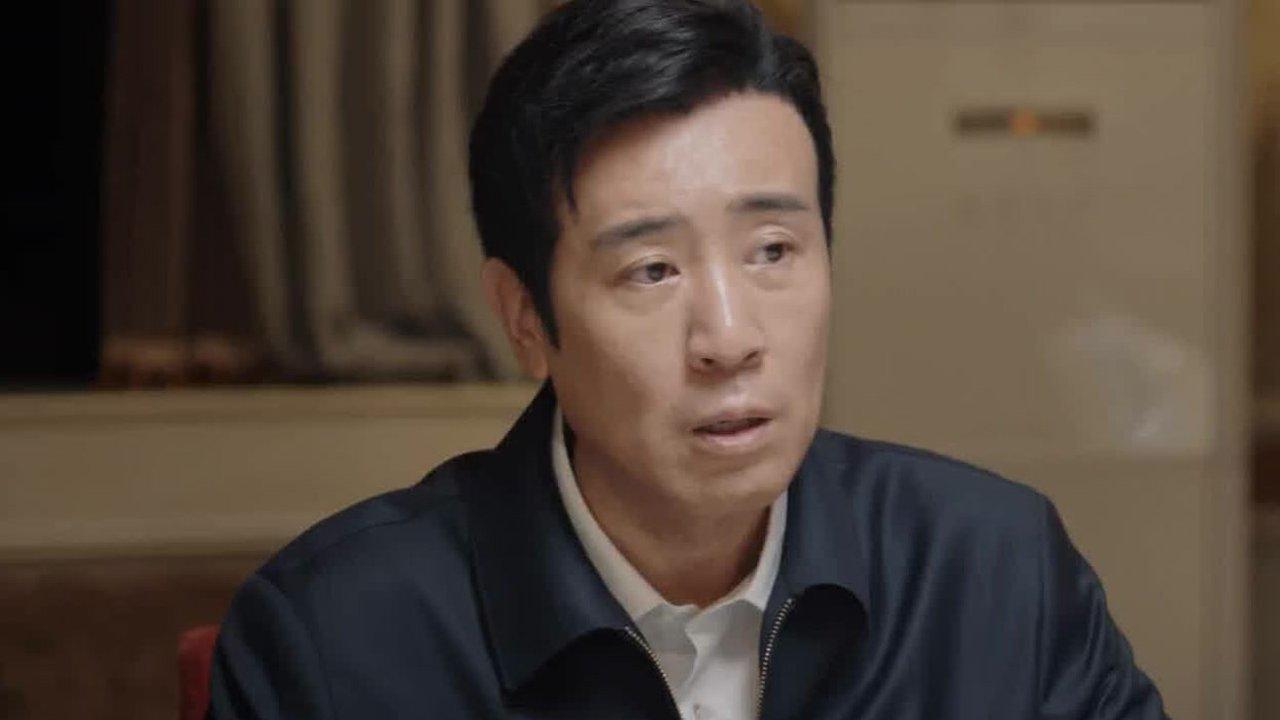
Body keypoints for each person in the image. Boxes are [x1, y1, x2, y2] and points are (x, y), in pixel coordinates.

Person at [206, 1, 1169, 718]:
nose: (731, 337)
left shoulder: (994, 571)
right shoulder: (334, 639)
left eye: (773, 252)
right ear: (525, 318)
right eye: (653, 270)